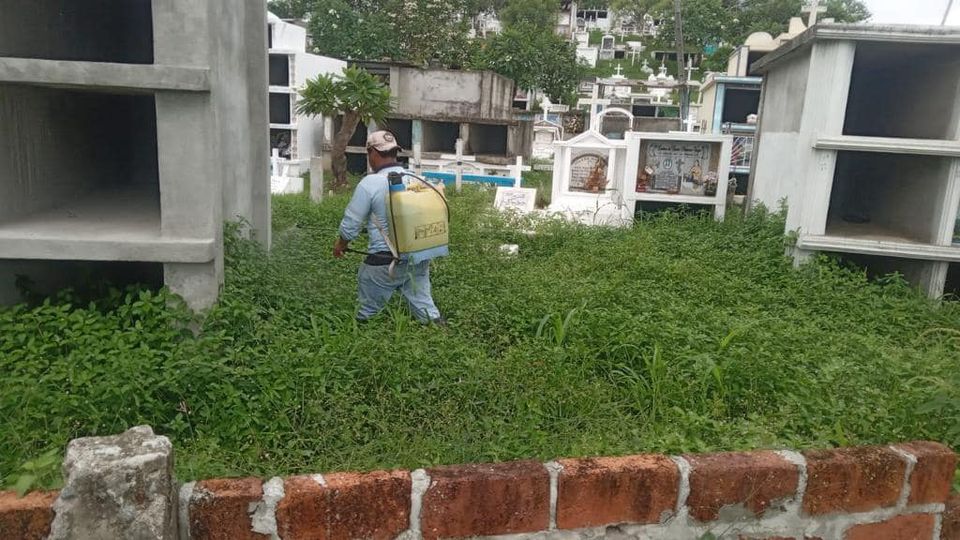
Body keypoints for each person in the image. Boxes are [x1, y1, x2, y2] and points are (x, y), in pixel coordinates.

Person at [333, 130, 445, 324]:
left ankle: (363, 332)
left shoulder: (370, 183)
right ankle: (440, 331)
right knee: (425, 308)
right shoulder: (414, 178)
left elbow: (351, 225)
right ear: (395, 152)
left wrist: (341, 245)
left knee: (367, 310)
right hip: (417, 259)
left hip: (383, 263)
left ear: (372, 152)